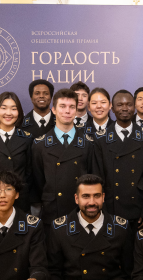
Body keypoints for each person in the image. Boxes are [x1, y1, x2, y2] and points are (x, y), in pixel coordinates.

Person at [92, 89, 143, 275]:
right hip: (111, 207)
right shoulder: (101, 138)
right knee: (112, 255)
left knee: (135, 257)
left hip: (138, 209)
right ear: (112, 108)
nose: (125, 108)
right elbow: (97, 178)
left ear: (134, 107)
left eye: (129, 104)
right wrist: (100, 209)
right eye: (120, 105)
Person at [31, 88, 94, 225]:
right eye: (62, 106)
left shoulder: (88, 143)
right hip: (52, 210)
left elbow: (92, 178)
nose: (67, 111)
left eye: (72, 107)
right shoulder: (40, 144)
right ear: (53, 109)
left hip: (81, 210)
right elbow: (38, 181)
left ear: (77, 110)